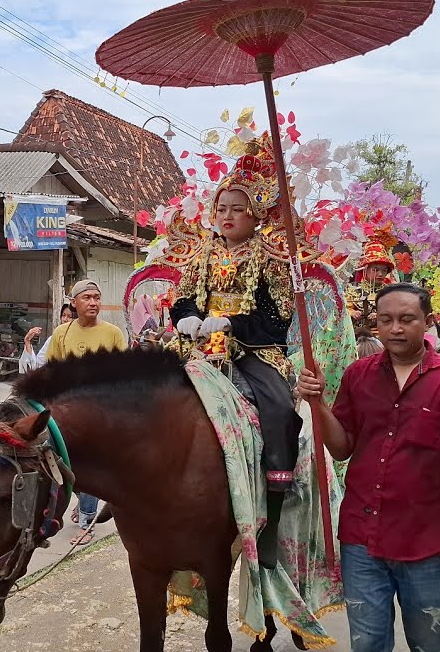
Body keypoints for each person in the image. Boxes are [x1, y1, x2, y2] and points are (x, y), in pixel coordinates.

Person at [298, 284, 440, 652]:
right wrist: (318, 402)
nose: (395, 329)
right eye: (385, 320)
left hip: (424, 542)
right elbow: (341, 449)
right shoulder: (359, 375)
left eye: (406, 319)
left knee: (430, 641)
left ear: (428, 322)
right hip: (360, 539)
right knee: (368, 642)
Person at [169, 134, 304, 568]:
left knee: (280, 407)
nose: (226, 216)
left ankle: (278, 488)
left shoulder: (270, 257)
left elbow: (279, 315)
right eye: (221, 208)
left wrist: (232, 323)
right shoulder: (202, 252)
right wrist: (186, 316)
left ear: (256, 215)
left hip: (253, 349)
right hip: (195, 345)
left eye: (237, 209)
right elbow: (183, 295)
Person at [46, 279, 128, 544]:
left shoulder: (113, 333)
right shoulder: (61, 333)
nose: (93, 302)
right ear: (74, 303)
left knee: (89, 464)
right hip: (67, 412)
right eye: (87, 298)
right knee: (65, 462)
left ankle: (86, 522)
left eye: (96, 297)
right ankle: (83, 504)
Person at [346, 230, 398, 342]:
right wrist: (352, 312)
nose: (380, 274)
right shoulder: (353, 289)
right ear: (366, 269)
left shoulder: (390, 291)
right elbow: (344, 310)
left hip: (385, 337)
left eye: (384, 270)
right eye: (375, 270)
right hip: (358, 338)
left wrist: (381, 314)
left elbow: (398, 312)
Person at [19, 303, 75, 373]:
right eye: (63, 315)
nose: (65, 319)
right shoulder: (53, 339)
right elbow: (37, 365)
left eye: (70, 317)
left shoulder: (80, 340)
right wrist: (27, 341)